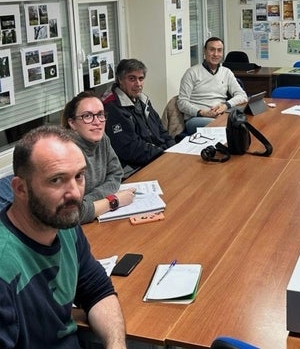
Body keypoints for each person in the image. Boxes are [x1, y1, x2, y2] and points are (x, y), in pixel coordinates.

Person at [0, 125, 126, 348]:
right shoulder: (5, 264)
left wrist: (116, 345)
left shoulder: (64, 224)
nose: (75, 193)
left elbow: (98, 291)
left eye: (79, 176)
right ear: (20, 189)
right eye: (57, 180)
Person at [62, 91, 135, 223]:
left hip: (96, 219)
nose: (97, 122)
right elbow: (71, 214)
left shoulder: (102, 139)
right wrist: (113, 200)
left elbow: (116, 173)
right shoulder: (65, 153)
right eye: (87, 116)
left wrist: (93, 200)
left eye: (100, 115)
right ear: (72, 123)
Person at [103, 59, 175, 174]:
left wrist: (173, 148)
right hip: (134, 167)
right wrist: (163, 153)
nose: (138, 84)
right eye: (132, 79)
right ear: (120, 80)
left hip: (157, 156)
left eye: (141, 79)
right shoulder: (112, 108)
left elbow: (162, 131)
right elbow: (129, 149)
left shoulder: (142, 100)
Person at [178, 37, 248, 135]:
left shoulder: (226, 72)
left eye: (219, 50)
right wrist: (203, 112)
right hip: (197, 118)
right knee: (227, 127)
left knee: (244, 123)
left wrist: (225, 105)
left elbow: (242, 96)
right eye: (212, 50)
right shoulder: (192, 73)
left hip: (221, 115)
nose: (216, 54)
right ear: (205, 51)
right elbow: (182, 102)